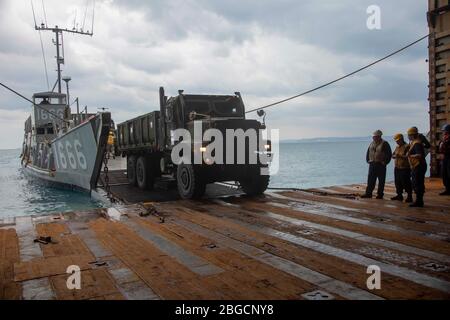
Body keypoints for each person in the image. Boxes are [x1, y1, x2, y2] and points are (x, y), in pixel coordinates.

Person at [361, 130, 392, 199]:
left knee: (381, 180)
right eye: (373, 137)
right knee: (370, 179)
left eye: (375, 137)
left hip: (381, 164)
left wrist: (385, 162)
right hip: (372, 163)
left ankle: (380, 194)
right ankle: (368, 193)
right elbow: (368, 151)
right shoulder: (372, 143)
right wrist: (368, 160)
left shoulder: (385, 143)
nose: (373, 138)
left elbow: (389, 154)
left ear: (379, 136)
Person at [407, 127, 427, 208]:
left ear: (412, 135)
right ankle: (419, 200)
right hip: (417, 165)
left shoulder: (417, 143)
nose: (408, 136)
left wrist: (410, 155)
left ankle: (419, 201)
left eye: (409, 135)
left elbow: (419, 155)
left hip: (418, 166)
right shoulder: (414, 142)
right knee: (416, 182)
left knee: (418, 183)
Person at [391, 133, 413, 203]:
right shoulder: (397, 147)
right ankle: (399, 195)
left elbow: (408, 156)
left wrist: (399, 156)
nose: (397, 142)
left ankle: (409, 196)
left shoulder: (407, 146)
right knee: (397, 182)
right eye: (396, 141)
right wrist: (394, 156)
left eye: (398, 140)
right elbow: (393, 154)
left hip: (405, 167)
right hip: (397, 167)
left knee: (406, 182)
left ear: (402, 139)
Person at [438, 124, 450, 196]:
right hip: (445, 158)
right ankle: (447, 189)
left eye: (445, 131)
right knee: (444, 174)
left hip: (449, 157)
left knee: (449, 173)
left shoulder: (447, 139)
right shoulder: (444, 138)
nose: (444, 133)